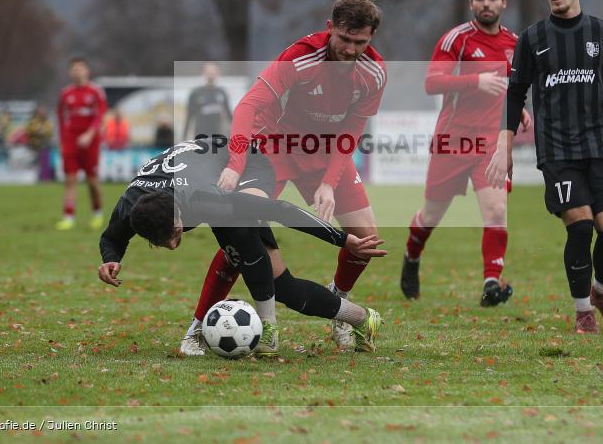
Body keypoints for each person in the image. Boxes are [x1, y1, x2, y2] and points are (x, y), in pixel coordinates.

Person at [197, 0, 386, 349]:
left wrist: (329, 183)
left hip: (325, 153)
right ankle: (197, 326)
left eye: (360, 42)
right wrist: (236, 164)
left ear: (371, 37)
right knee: (242, 230)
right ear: (330, 28)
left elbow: (352, 130)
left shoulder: (373, 73)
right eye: (344, 39)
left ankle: (339, 302)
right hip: (277, 148)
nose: (350, 49)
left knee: (366, 240)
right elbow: (248, 105)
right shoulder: (300, 57)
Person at [96, 136, 385, 357]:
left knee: (239, 229)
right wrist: (111, 258)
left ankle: (265, 329)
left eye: (175, 233)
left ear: (178, 212)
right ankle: (362, 318)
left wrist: (343, 239)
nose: (173, 245)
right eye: (161, 243)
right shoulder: (130, 208)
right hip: (203, 165)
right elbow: (110, 238)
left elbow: (281, 210)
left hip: (246, 163)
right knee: (285, 288)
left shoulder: (202, 198)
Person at [487, 0, 603, 334]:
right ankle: (583, 311)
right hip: (557, 150)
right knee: (581, 226)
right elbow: (515, 94)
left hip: (600, 146)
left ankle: (602, 293)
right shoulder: (533, 38)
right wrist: (504, 146)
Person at [399, 0, 531, 306]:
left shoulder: (514, 44)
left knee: (496, 209)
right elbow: (432, 83)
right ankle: (412, 257)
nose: (486, 3)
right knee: (431, 215)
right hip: (453, 141)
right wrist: (475, 80)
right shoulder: (456, 39)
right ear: (471, 3)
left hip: (490, 143)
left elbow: (511, 89)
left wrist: (519, 110)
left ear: (504, 2)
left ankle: (491, 283)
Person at [56, 57, 108, 230]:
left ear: (87, 70)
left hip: (90, 142)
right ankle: (68, 217)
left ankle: (97, 213)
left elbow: (100, 116)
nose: (77, 72)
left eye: (80, 68)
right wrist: (62, 141)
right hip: (71, 141)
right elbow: (60, 118)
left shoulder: (95, 92)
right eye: (74, 69)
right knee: (70, 179)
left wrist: (89, 134)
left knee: (92, 180)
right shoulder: (65, 93)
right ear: (69, 72)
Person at [183, 63, 233, 140]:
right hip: (200, 137)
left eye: (213, 73)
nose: (210, 76)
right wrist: (184, 136)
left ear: (218, 74)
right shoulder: (195, 93)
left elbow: (229, 115)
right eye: (208, 73)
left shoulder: (222, 93)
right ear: (203, 74)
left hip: (218, 136)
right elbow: (189, 117)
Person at [26, 105, 55, 181]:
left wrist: (41, 131)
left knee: (46, 162)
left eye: (44, 112)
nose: (42, 114)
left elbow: (49, 132)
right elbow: (29, 131)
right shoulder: (33, 122)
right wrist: (37, 131)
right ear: (37, 113)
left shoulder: (48, 122)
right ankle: (38, 177)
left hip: (45, 145)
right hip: (34, 146)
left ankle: (45, 177)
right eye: (41, 112)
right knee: (36, 163)